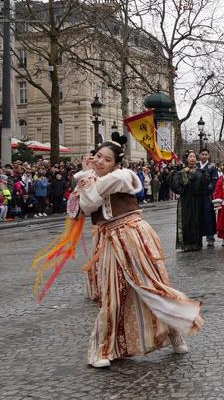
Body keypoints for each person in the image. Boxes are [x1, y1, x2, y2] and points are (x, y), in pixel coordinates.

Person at [60, 133, 204, 369]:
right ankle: (103, 349)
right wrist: (86, 179)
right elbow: (87, 206)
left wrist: (85, 177)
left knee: (152, 286)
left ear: (116, 163)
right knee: (113, 294)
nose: (99, 161)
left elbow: (95, 195)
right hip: (109, 240)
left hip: (133, 235)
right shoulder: (91, 179)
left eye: (106, 159)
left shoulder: (122, 175)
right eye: (98, 156)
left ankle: (175, 331)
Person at [171, 151, 205, 252]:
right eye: (190, 157)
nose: (192, 159)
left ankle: (196, 243)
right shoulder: (180, 172)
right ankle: (186, 244)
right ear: (187, 159)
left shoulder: (200, 172)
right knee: (185, 221)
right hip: (185, 200)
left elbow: (204, 185)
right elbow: (175, 185)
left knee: (196, 220)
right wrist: (183, 191)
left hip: (197, 200)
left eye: (194, 157)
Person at [195, 149, 219, 246]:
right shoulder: (195, 165)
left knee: (208, 216)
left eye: (206, 154)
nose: (204, 156)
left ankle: (210, 237)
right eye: (202, 154)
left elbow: (214, 181)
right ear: (199, 155)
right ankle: (197, 238)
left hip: (207, 195)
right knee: (197, 216)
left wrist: (207, 188)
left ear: (208, 156)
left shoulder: (212, 167)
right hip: (197, 195)